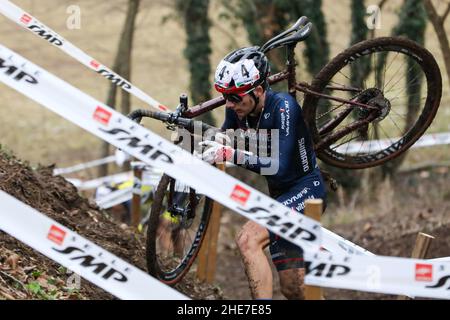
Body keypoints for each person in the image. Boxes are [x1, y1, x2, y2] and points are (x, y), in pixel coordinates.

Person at [200, 46, 327, 299]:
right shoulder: (238, 108)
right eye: (226, 96)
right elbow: (225, 137)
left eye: (235, 97)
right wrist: (198, 142)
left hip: (306, 190)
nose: (229, 103)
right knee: (295, 288)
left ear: (258, 91)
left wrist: (230, 155)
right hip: (281, 196)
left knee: (248, 239)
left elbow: (278, 169)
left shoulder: (284, 108)